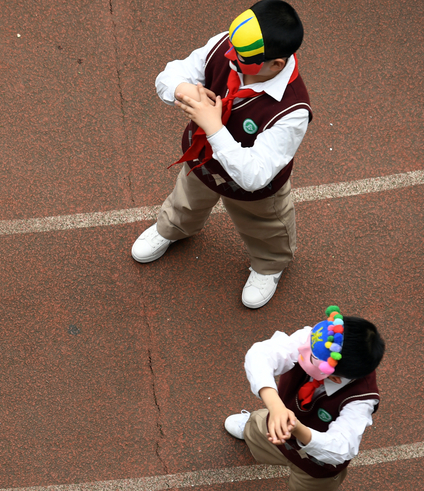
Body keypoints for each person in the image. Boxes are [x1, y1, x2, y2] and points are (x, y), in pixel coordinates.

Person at [132, 0, 311, 309]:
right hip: (202, 160)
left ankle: (269, 264)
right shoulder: (228, 45)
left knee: (266, 225)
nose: (229, 54)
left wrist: (214, 128)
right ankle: (172, 227)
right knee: (185, 198)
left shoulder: (292, 112)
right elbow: (171, 74)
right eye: (230, 45)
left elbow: (254, 176)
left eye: (241, 57)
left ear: (276, 65)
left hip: (256, 189)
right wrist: (181, 89)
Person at [223, 306, 384, 491]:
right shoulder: (321, 340)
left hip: (316, 463)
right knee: (259, 425)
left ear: (333, 375)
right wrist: (275, 406)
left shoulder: (361, 400)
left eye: (308, 354)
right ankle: (255, 426)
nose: (301, 349)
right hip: (279, 418)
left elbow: (341, 448)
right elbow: (260, 353)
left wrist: (295, 428)